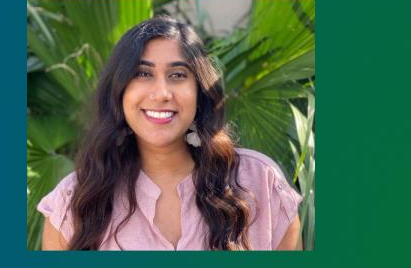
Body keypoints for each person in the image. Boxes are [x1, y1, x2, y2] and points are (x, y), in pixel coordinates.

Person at [37, 16, 303, 251]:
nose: (162, 93)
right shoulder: (74, 201)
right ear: (119, 92)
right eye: (142, 73)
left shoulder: (259, 183)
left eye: (177, 75)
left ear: (200, 92)